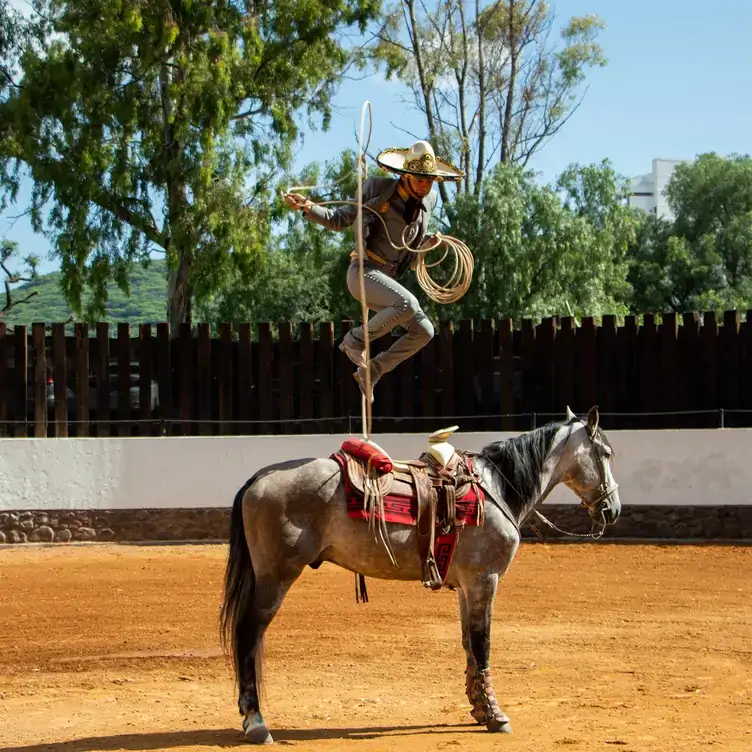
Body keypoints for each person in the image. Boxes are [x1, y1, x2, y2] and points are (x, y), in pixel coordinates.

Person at [284, 140, 464, 403]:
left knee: (425, 331)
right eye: (420, 179)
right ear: (405, 175)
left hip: (387, 281)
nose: (426, 185)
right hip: (363, 273)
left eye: (430, 180)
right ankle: (353, 340)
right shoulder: (376, 189)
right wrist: (307, 207)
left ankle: (373, 372)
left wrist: (427, 246)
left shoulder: (430, 201)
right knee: (408, 303)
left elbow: (408, 249)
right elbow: (339, 220)